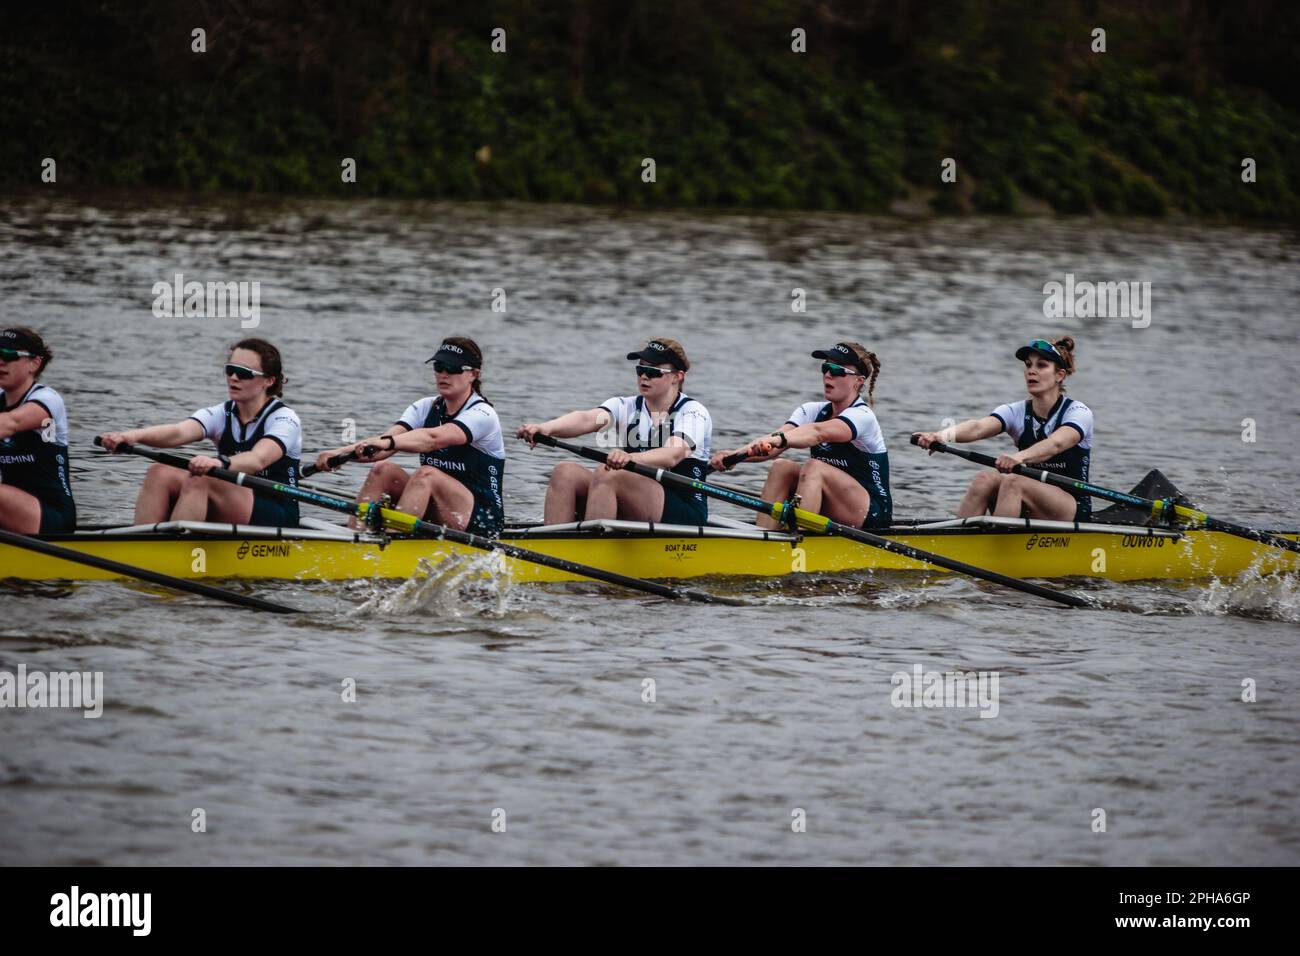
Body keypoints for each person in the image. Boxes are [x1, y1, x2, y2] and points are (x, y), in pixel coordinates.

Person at [99, 338, 302, 527]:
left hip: (277, 510)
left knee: (202, 478)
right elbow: (178, 433)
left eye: (244, 373)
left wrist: (219, 463)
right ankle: (143, 546)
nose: (233, 377)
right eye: (230, 370)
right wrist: (131, 437)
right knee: (159, 473)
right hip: (232, 499)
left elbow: (258, 459)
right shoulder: (222, 413)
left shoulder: (284, 419)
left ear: (269, 381)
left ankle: (175, 552)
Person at [316, 337, 505, 535]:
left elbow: (433, 439)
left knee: (426, 474)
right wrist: (338, 454)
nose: (443, 374)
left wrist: (387, 442)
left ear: (473, 374)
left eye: (453, 368)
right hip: (437, 507)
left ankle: (391, 546)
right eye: (439, 366)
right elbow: (379, 449)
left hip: (481, 519)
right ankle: (354, 539)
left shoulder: (483, 414)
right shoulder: (425, 407)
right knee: (383, 469)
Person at [518, 338, 712, 525]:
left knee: (607, 473)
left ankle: (594, 550)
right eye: (640, 369)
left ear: (677, 377)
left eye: (653, 372)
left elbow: (673, 454)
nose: (644, 376)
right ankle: (555, 545)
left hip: (684, 510)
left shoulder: (693, 413)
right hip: (637, 497)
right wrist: (545, 428)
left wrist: (631, 458)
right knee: (565, 472)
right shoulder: (626, 406)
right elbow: (585, 418)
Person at [711, 341, 891, 530]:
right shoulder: (810, 410)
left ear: (859, 381)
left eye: (837, 370)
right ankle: (765, 536)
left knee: (814, 467)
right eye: (825, 368)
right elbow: (774, 440)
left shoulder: (863, 416)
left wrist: (779, 439)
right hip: (834, 504)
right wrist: (733, 456)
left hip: (870, 514)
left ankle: (799, 545)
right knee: (781, 467)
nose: (828, 374)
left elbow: (817, 433)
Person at [913, 336, 1093, 521]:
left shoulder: (1078, 412)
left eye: (1041, 365)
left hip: (1072, 506)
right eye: (1028, 365)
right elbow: (978, 427)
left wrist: (1018, 457)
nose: (1031, 371)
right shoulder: (1016, 411)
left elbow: (1055, 444)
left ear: (1059, 375)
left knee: (1013, 481)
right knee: (984, 479)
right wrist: (941, 435)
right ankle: (959, 541)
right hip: (1031, 499)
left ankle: (997, 545)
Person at [0, 327, 75, 533]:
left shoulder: (48, 400)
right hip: (13, 510)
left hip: (51, 517)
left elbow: (10, 423)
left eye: (9, 355)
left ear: (35, 363)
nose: (1, 361)